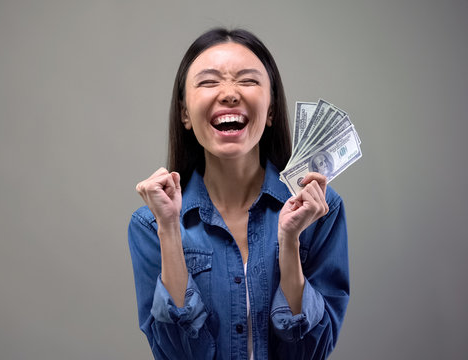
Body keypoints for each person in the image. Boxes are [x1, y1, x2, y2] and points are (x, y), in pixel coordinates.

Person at [128, 28, 349, 360]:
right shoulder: (151, 224)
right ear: (185, 113)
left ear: (271, 109)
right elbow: (175, 354)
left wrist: (290, 243)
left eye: (248, 81)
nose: (229, 94)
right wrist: (170, 230)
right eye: (208, 82)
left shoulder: (320, 211)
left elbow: (310, 352)